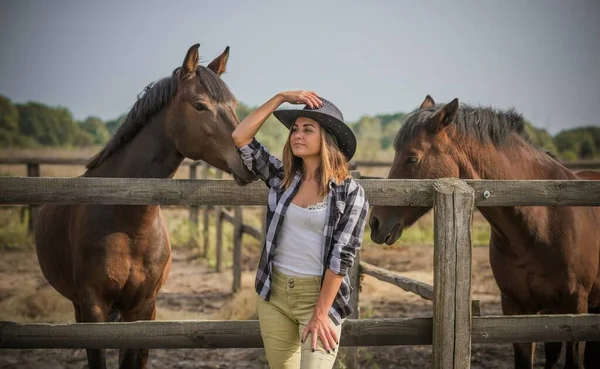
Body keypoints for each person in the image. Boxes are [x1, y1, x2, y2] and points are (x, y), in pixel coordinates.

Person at [232, 91, 369, 369]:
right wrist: (279, 98)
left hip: (319, 299)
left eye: (308, 130)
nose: (297, 135)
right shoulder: (282, 178)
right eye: (295, 129)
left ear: (327, 138)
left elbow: (341, 258)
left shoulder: (350, 193)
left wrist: (320, 313)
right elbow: (241, 137)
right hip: (275, 296)